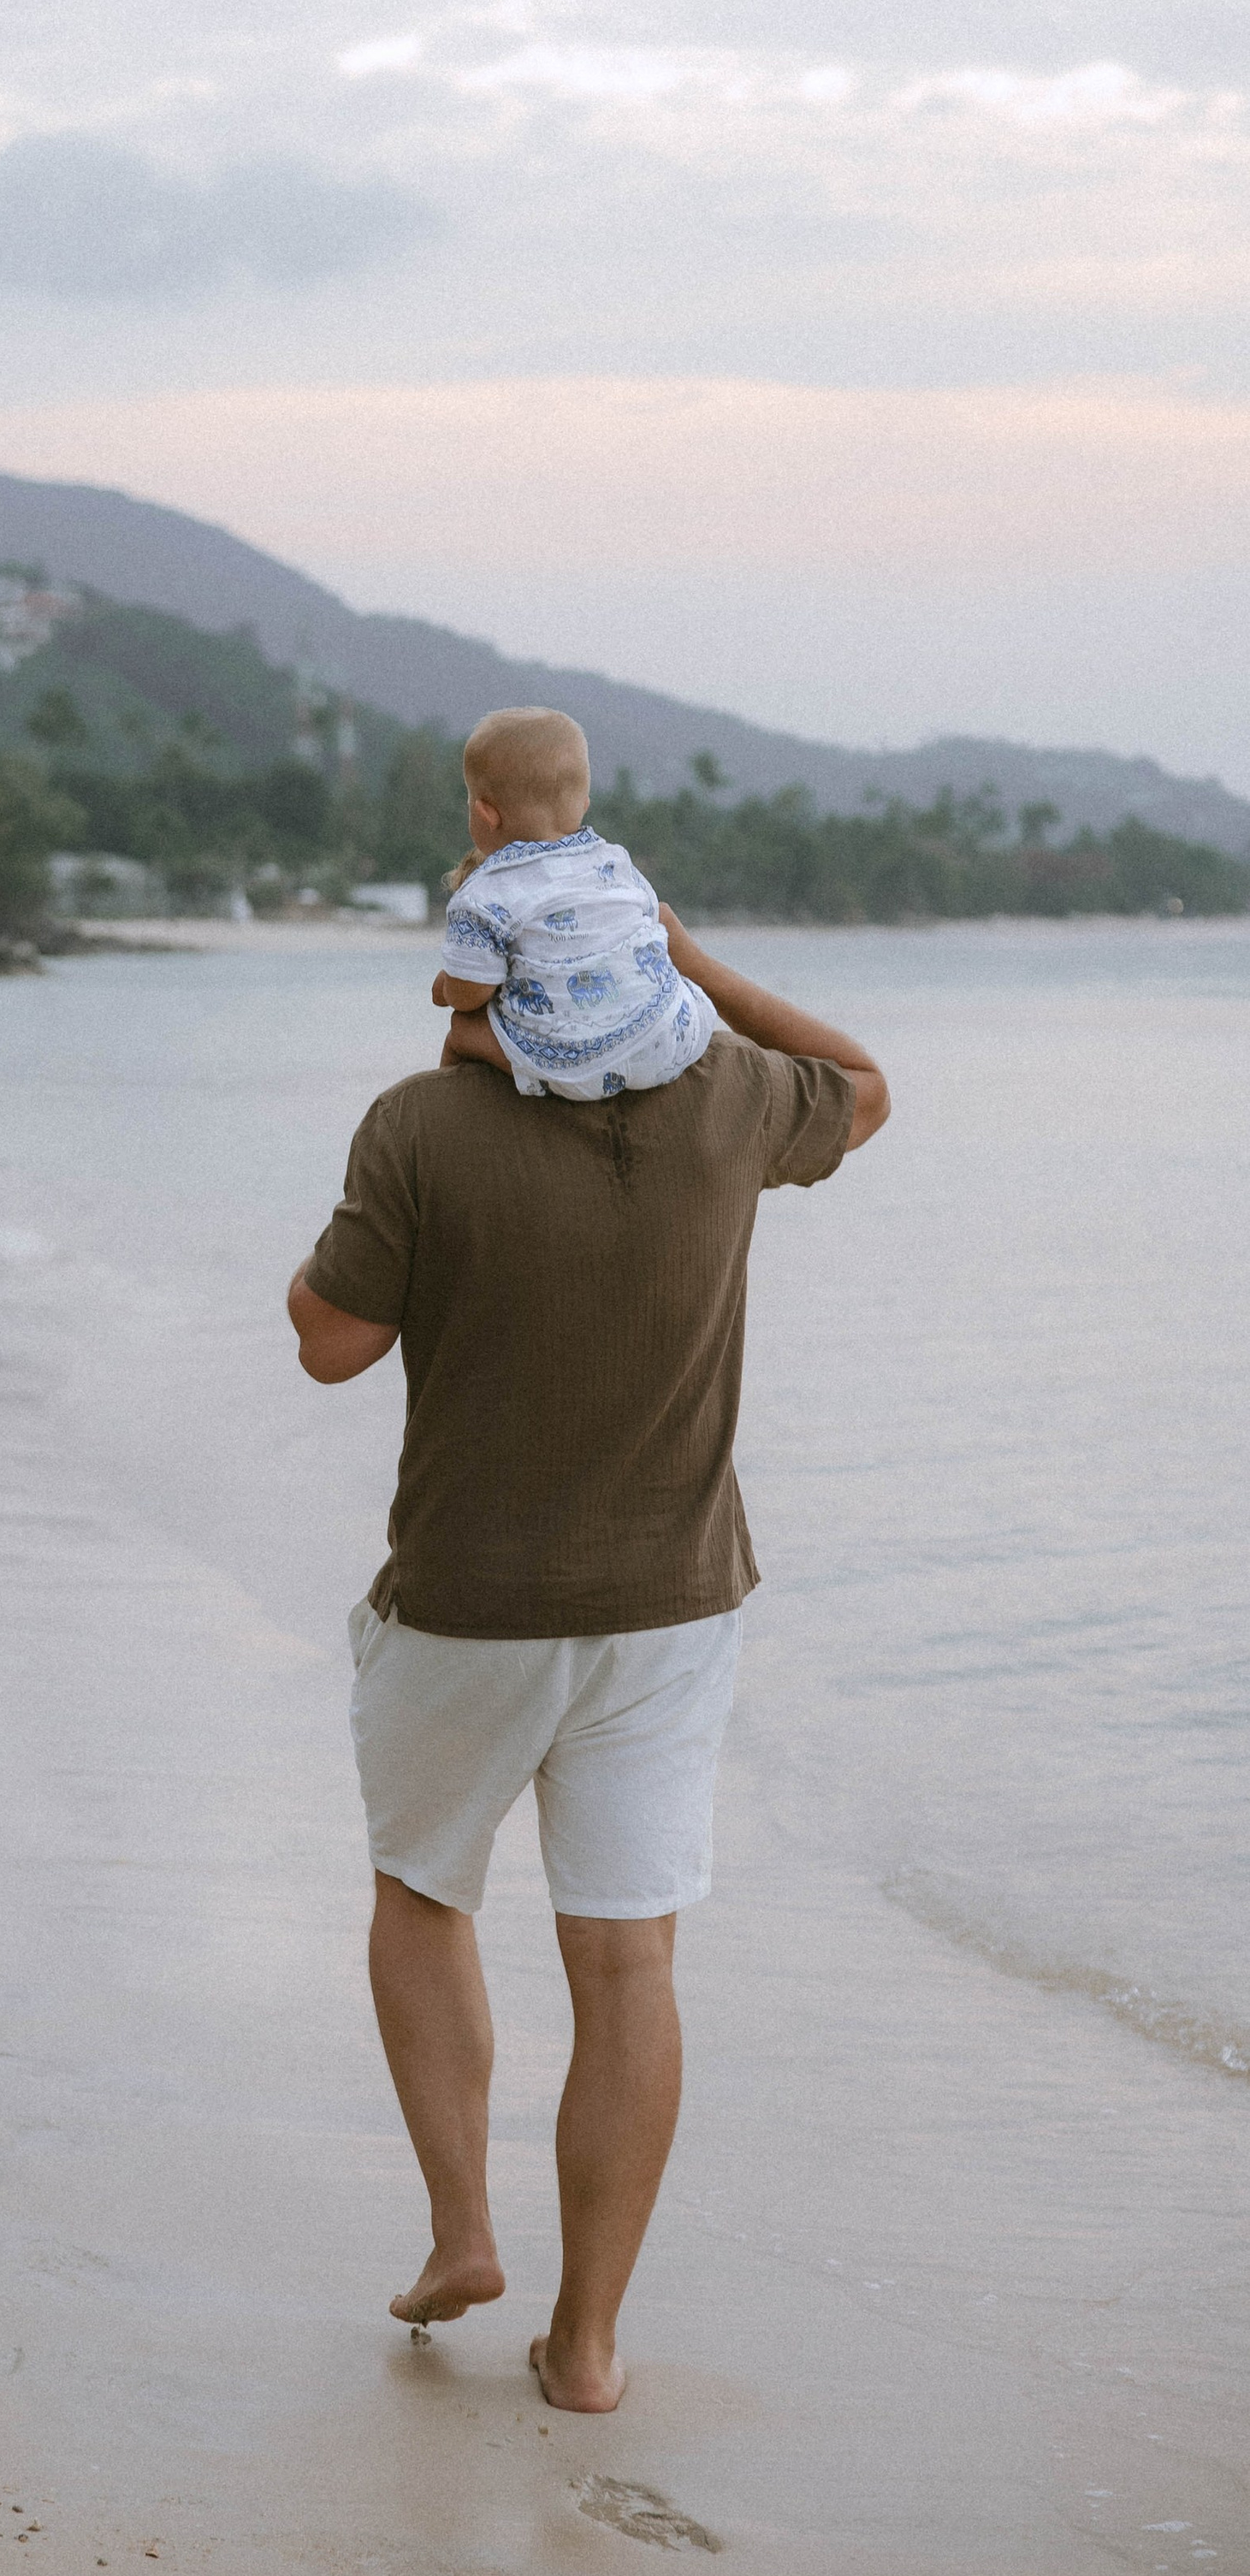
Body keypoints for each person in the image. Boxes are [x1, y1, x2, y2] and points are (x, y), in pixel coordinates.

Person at [287, 904, 889, 2409]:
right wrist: (695, 961)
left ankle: (463, 2236)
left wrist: (437, 1160)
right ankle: (591, 2344)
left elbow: (327, 1341)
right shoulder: (730, 1103)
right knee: (626, 1962)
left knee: (423, 1896)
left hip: (465, 1609)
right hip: (671, 1611)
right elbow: (862, 1083)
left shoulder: (422, 1125)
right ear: (637, 963)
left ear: (482, 983)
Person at [431, 706, 714, 1101]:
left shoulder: (483, 894)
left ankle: (444, 1115)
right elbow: (648, 923)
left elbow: (470, 993)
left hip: (579, 1069)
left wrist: (447, 987)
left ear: (485, 813)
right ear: (583, 803)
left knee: (462, 1030)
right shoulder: (615, 861)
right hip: (669, 1037)